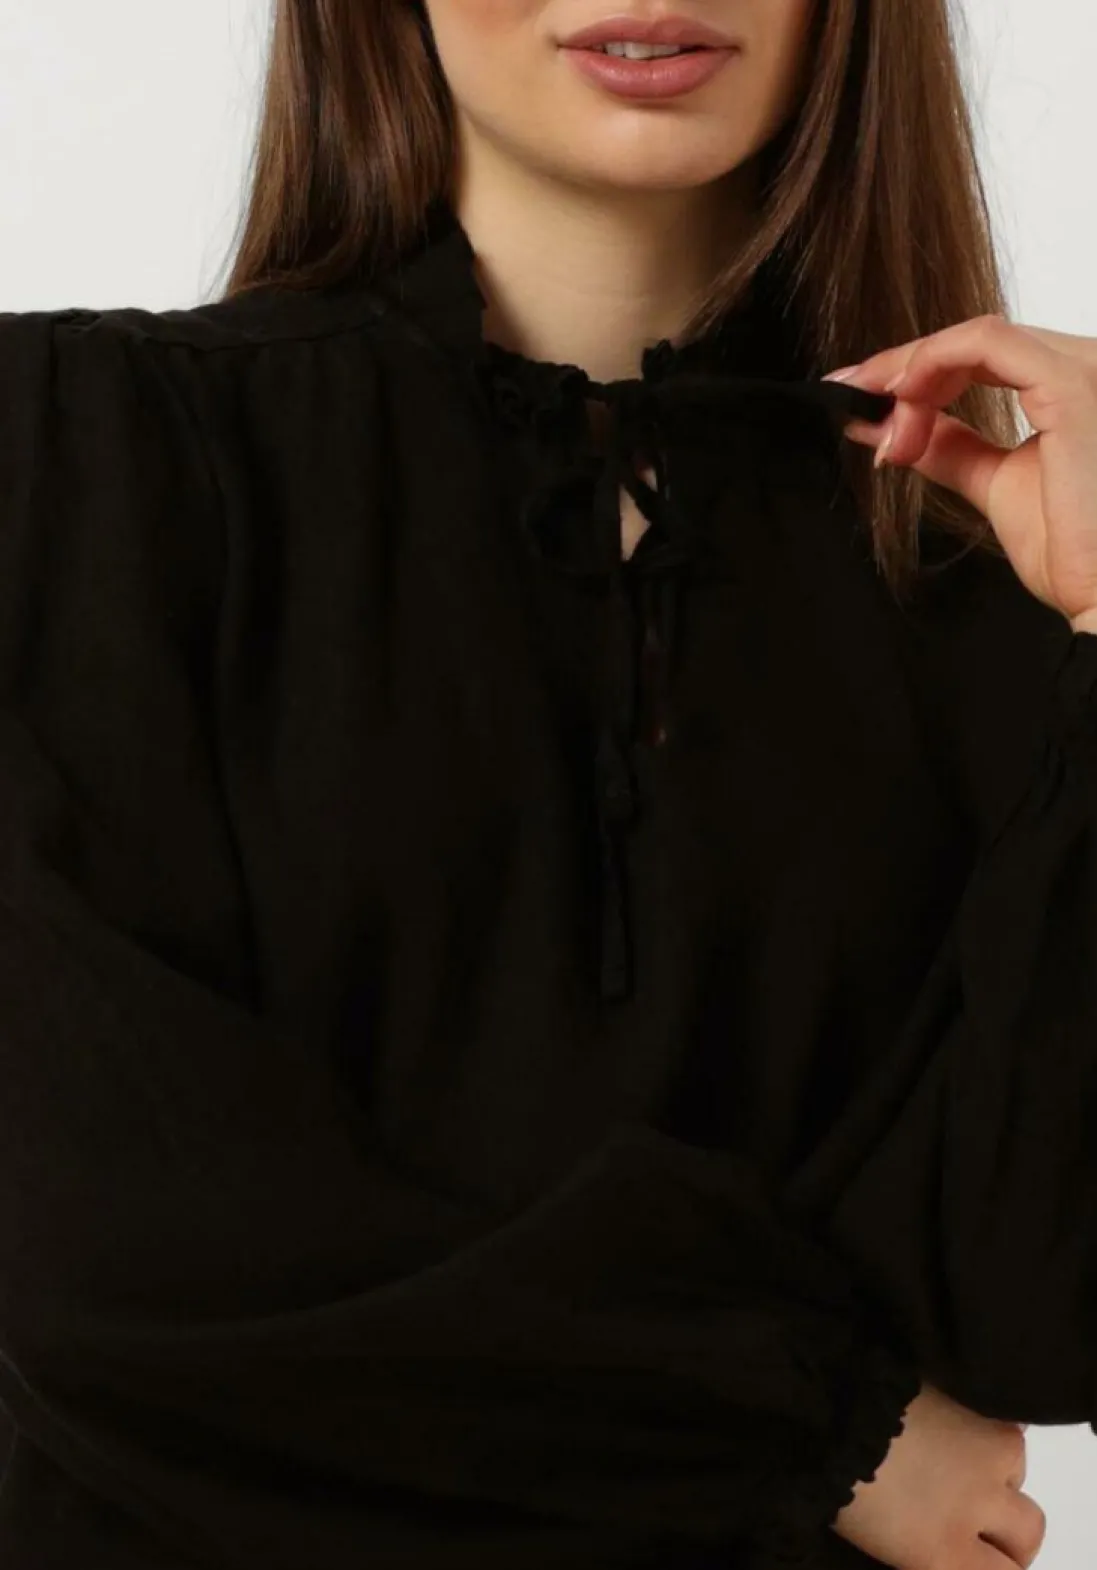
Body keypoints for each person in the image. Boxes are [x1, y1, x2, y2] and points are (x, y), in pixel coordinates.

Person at [0, 0, 1093, 1565]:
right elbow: (93, 1242)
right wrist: (813, 1419)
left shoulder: (1000, 586)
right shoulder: (80, 461)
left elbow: (1035, 1311)